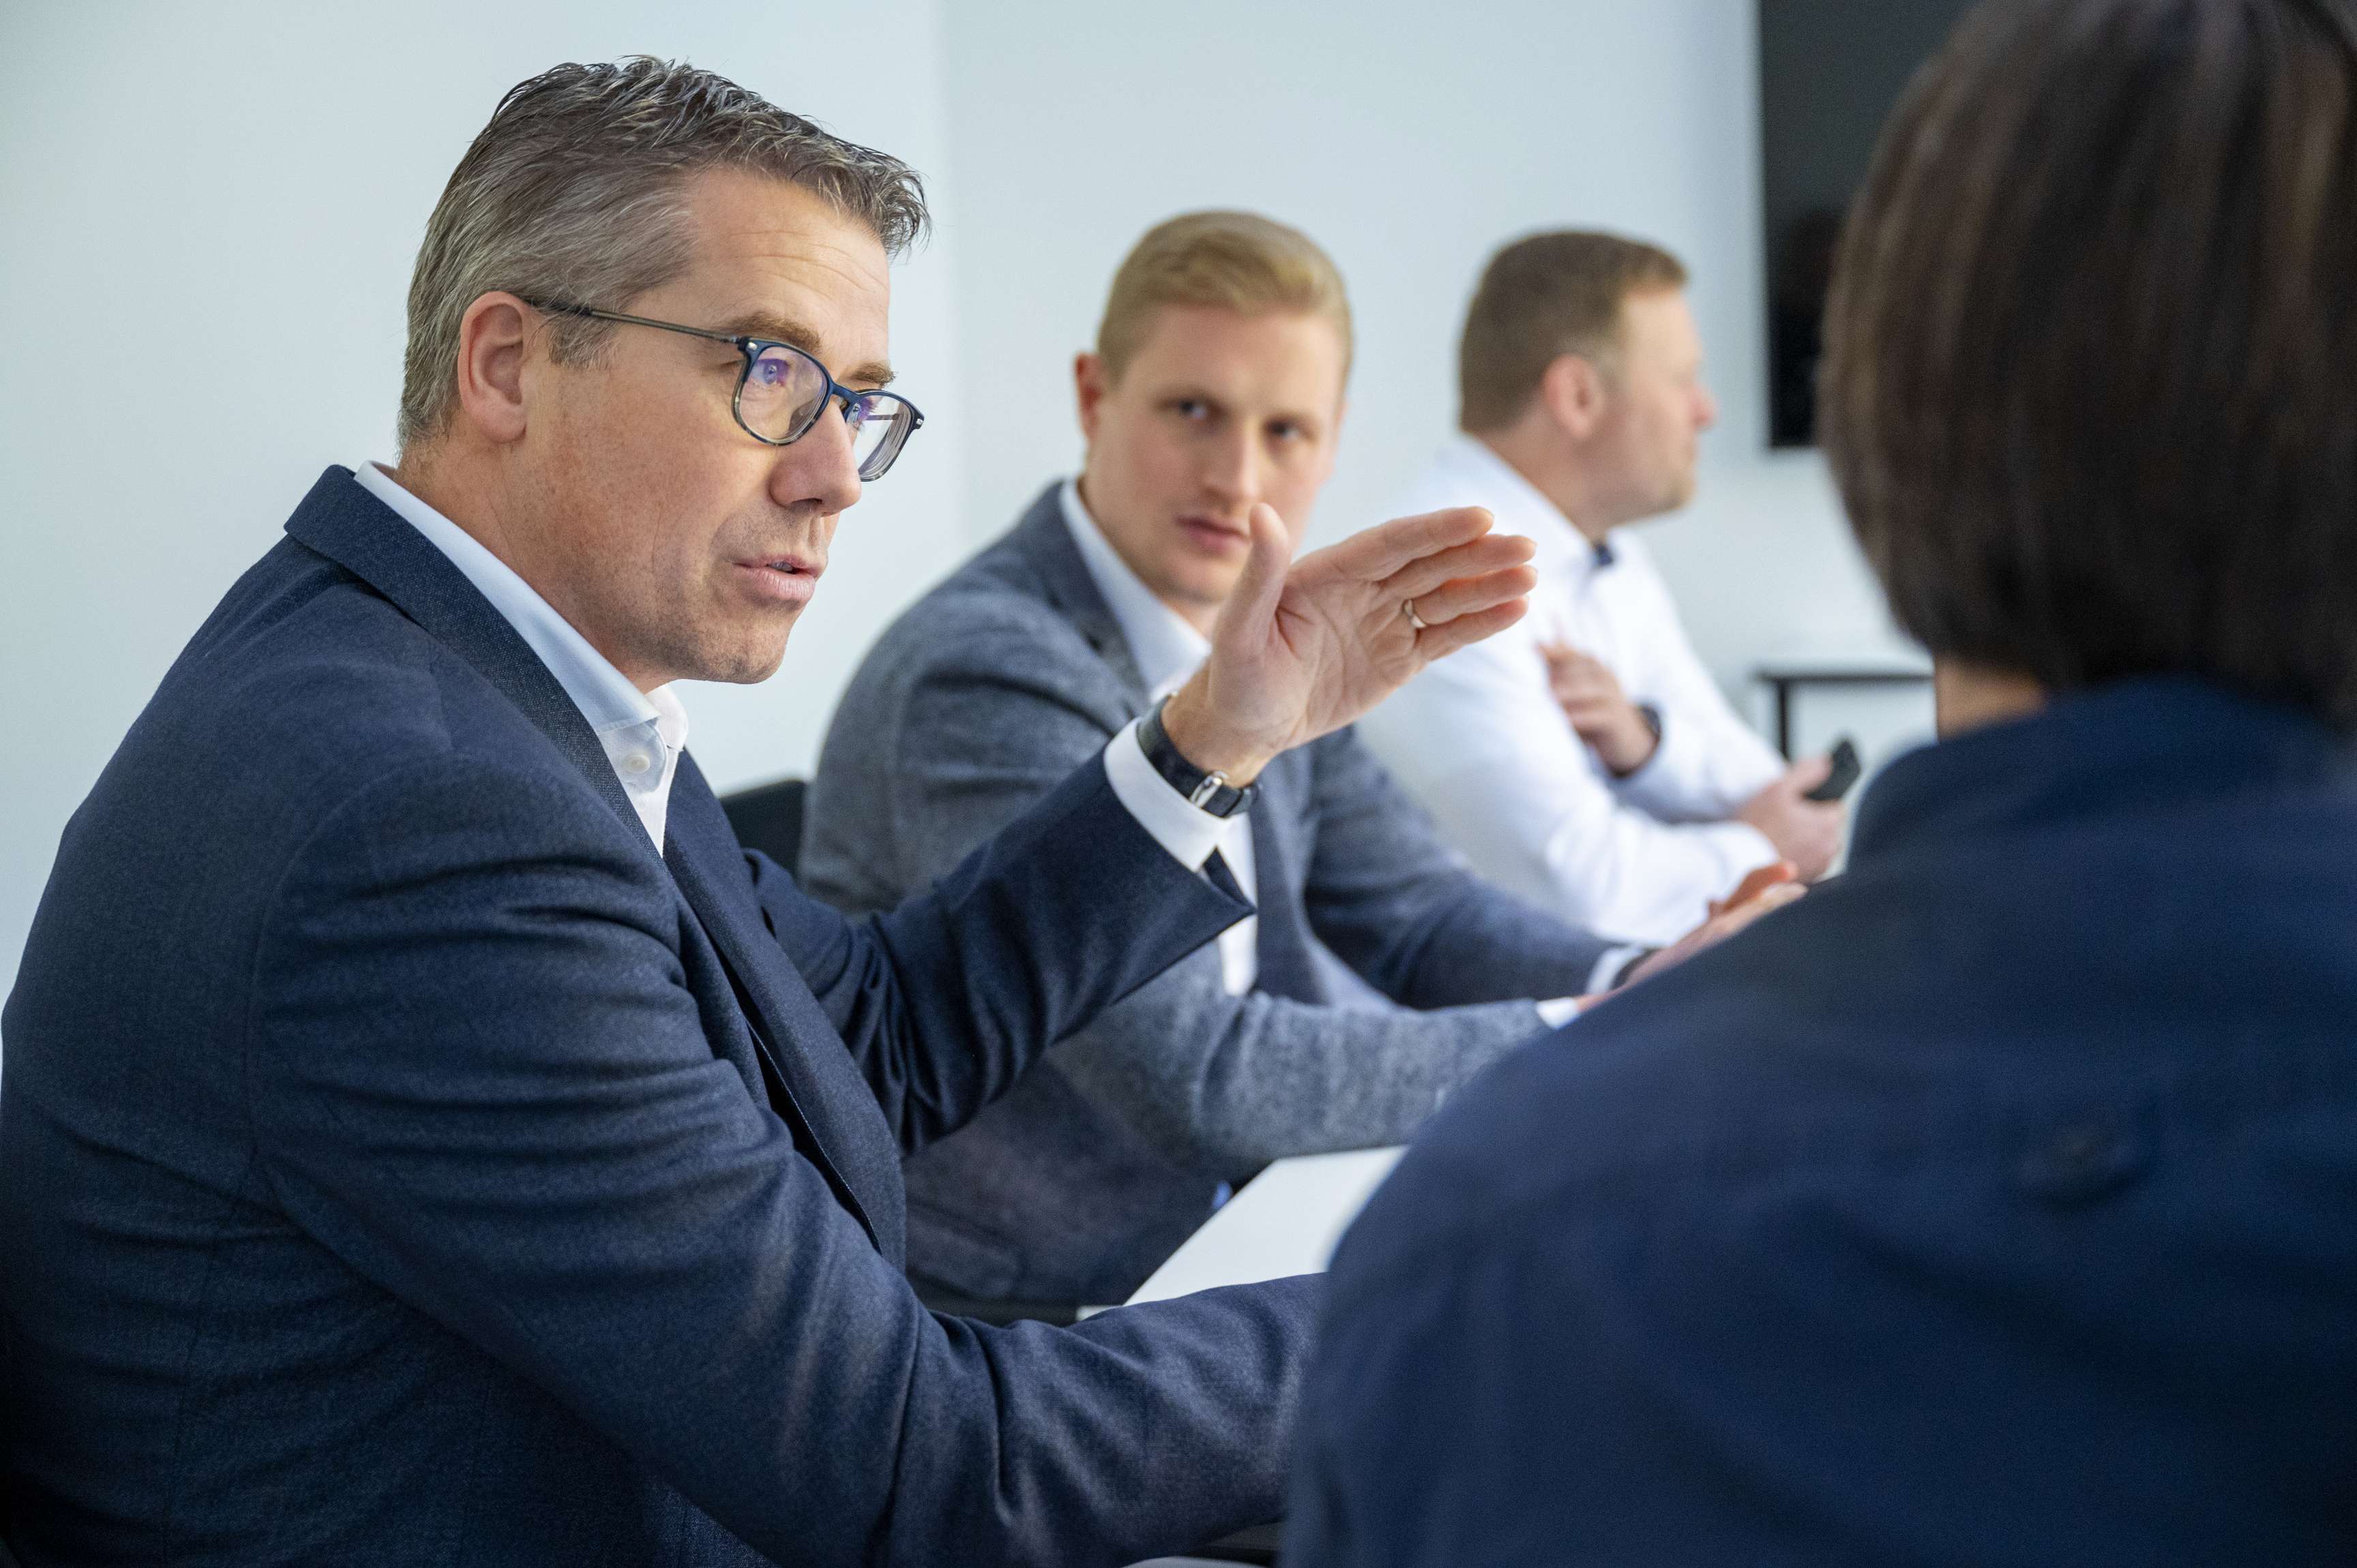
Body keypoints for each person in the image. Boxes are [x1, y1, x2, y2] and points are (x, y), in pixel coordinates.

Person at [0, 61, 1547, 1567]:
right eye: (767, 370)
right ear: (506, 366)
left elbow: (868, 1034)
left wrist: (1218, 730)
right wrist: (1447, 1293)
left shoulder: (500, 689)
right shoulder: (416, 806)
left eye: (859, 402)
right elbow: (913, 1467)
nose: (834, 476)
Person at [1289, 0, 2357, 1560]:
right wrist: (1738, 826)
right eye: (1688, 373)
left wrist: (1689, 786)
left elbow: (1736, 772)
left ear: (1870, 449)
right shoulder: (1455, 581)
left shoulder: (1487, 1256)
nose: (1713, 409)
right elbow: (1658, 842)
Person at [802, 211, 1792, 1307]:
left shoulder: (1260, 629)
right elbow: (1200, 1075)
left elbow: (1421, 916)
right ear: (1094, 397)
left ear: (1334, 442)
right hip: (1016, 1310)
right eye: (1194, 411)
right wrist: (1591, 1034)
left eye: (1287, 431)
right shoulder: (986, 672)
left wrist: (1638, 980)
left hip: (1225, 1231)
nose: (1237, 475)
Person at [1357, 231, 1845, 946]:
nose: (1705, 410)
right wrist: (1757, 846)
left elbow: (1762, 783)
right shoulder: (1440, 579)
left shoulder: (1611, 559)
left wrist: (1648, 746)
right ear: (1578, 397)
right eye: (1682, 379)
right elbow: (1582, 892)